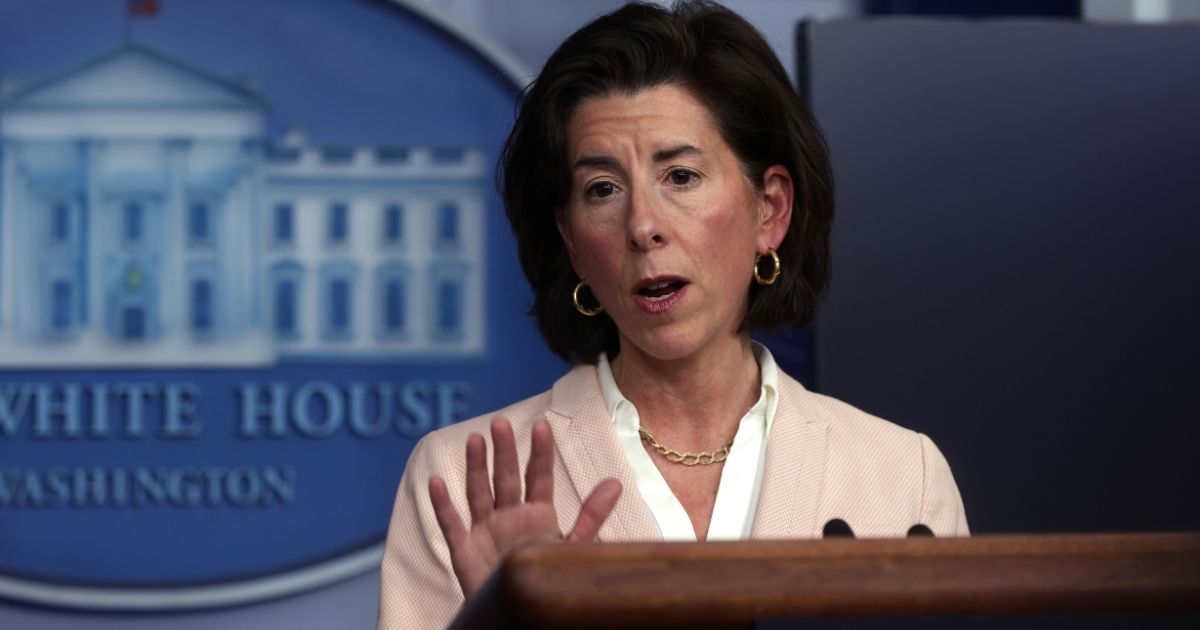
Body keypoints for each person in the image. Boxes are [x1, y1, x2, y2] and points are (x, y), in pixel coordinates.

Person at [377, 2, 967, 627]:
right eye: (602, 189)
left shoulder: (902, 472)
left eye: (680, 176)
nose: (643, 226)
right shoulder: (465, 479)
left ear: (769, 210)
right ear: (573, 243)